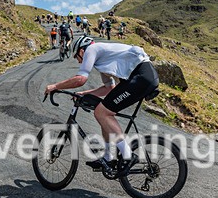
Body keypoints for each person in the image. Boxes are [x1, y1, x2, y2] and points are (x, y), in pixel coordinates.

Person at [44, 36, 159, 175]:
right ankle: (107, 157)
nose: (78, 60)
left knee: (102, 113)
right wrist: (83, 93)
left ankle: (127, 155)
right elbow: (109, 88)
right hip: (141, 77)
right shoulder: (103, 62)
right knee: (103, 112)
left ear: (81, 51)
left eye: (76, 57)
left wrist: (55, 86)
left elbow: (81, 79)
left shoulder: (92, 49)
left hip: (141, 77)